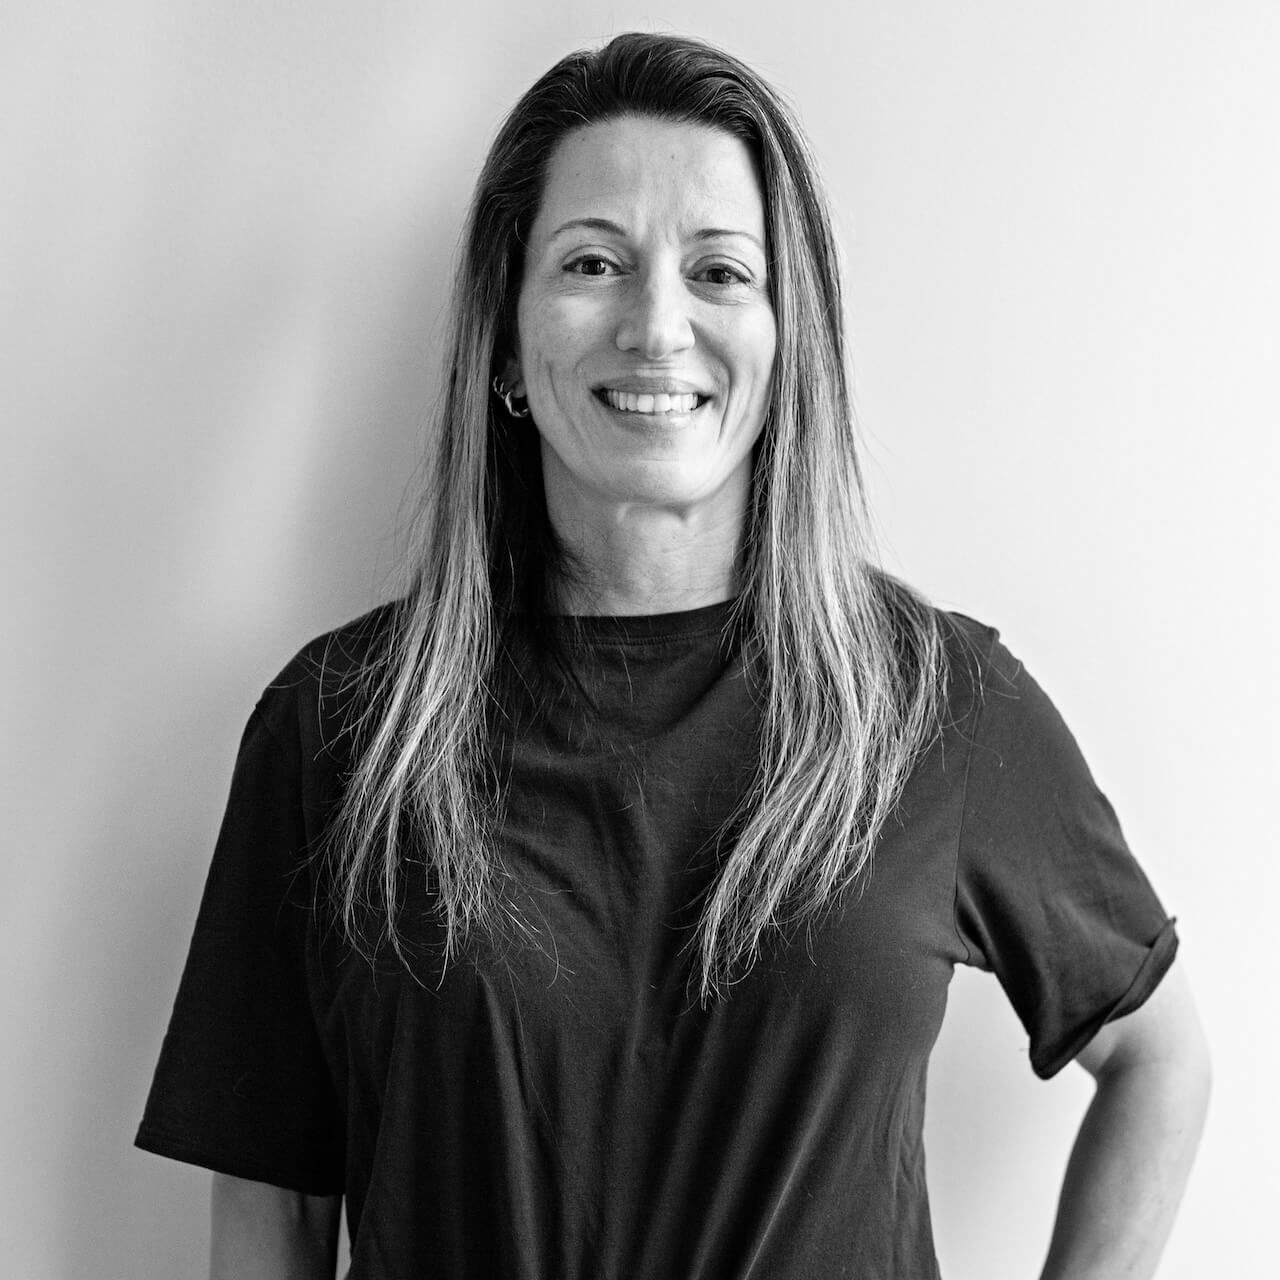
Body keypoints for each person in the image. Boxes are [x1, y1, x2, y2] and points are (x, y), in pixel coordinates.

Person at [136, 31, 1210, 1280]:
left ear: (782, 340)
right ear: (503, 341)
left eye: (718, 271)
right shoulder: (337, 731)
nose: (656, 325)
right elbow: (267, 1211)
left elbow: (1156, 1056)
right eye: (593, 262)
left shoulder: (937, 707)